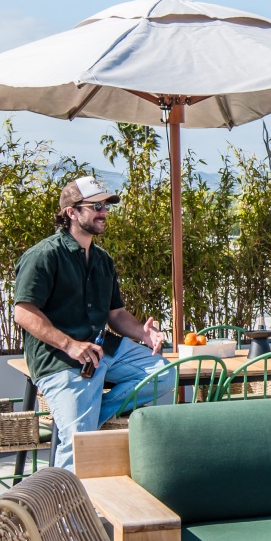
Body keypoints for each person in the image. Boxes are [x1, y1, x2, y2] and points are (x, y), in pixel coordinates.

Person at [15, 176, 170, 470]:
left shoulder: (102, 260)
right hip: (60, 359)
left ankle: (87, 418)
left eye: (106, 206)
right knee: (77, 447)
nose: (104, 212)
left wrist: (142, 333)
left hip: (103, 349)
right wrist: (70, 345)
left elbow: (116, 315)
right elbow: (23, 313)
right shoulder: (43, 256)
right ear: (72, 212)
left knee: (162, 373)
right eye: (96, 206)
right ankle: (63, 515)